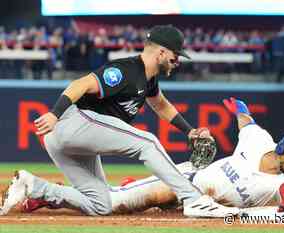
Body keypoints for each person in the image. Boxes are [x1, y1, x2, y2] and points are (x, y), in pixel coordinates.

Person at [0, 25, 239, 218]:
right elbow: (80, 84)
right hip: (71, 122)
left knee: (101, 204)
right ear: (162, 52)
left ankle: (33, 186)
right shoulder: (125, 71)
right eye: (176, 56)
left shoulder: (149, 79)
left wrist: (189, 130)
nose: (177, 61)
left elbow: (160, 105)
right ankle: (194, 200)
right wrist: (55, 113)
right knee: (148, 143)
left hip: (72, 138)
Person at [20, 97, 284, 218]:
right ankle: (46, 194)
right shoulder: (260, 139)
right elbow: (247, 122)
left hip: (200, 205)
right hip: (184, 181)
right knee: (111, 205)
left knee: (135, 208)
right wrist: (240, 108)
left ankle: (129, 186)